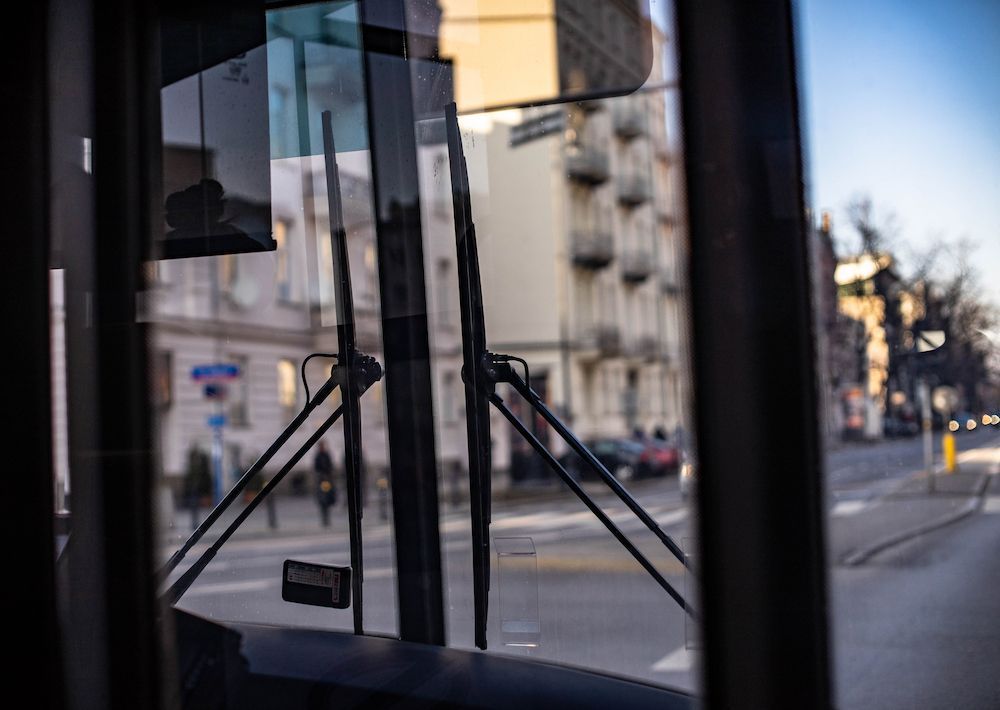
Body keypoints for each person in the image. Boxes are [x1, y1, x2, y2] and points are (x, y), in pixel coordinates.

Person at [314, 441, 337, 527]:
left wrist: (328, 475)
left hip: (328, 480)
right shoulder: (318, 456)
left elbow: (330, 466)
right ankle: (324, 519)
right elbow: (316, 468)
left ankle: (327, 518)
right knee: (322, 499)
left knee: (328, 498)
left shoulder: (327, 455)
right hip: (321, 481)